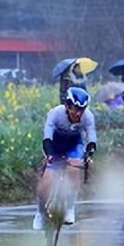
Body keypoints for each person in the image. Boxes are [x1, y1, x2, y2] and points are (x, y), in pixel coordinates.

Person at [34, 87, 97, 230]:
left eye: (82, 109)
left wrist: (89, 154)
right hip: (54, 145)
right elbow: (47, 136)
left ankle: (69, 208)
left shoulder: (88, 117)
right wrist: (49, 155)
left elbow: (91, 138)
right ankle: (40, 212)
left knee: (74, 169)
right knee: (48, 178)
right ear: (68, 106)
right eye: (75, 109)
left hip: (74, 146)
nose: (78, 113)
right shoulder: (55, 114)